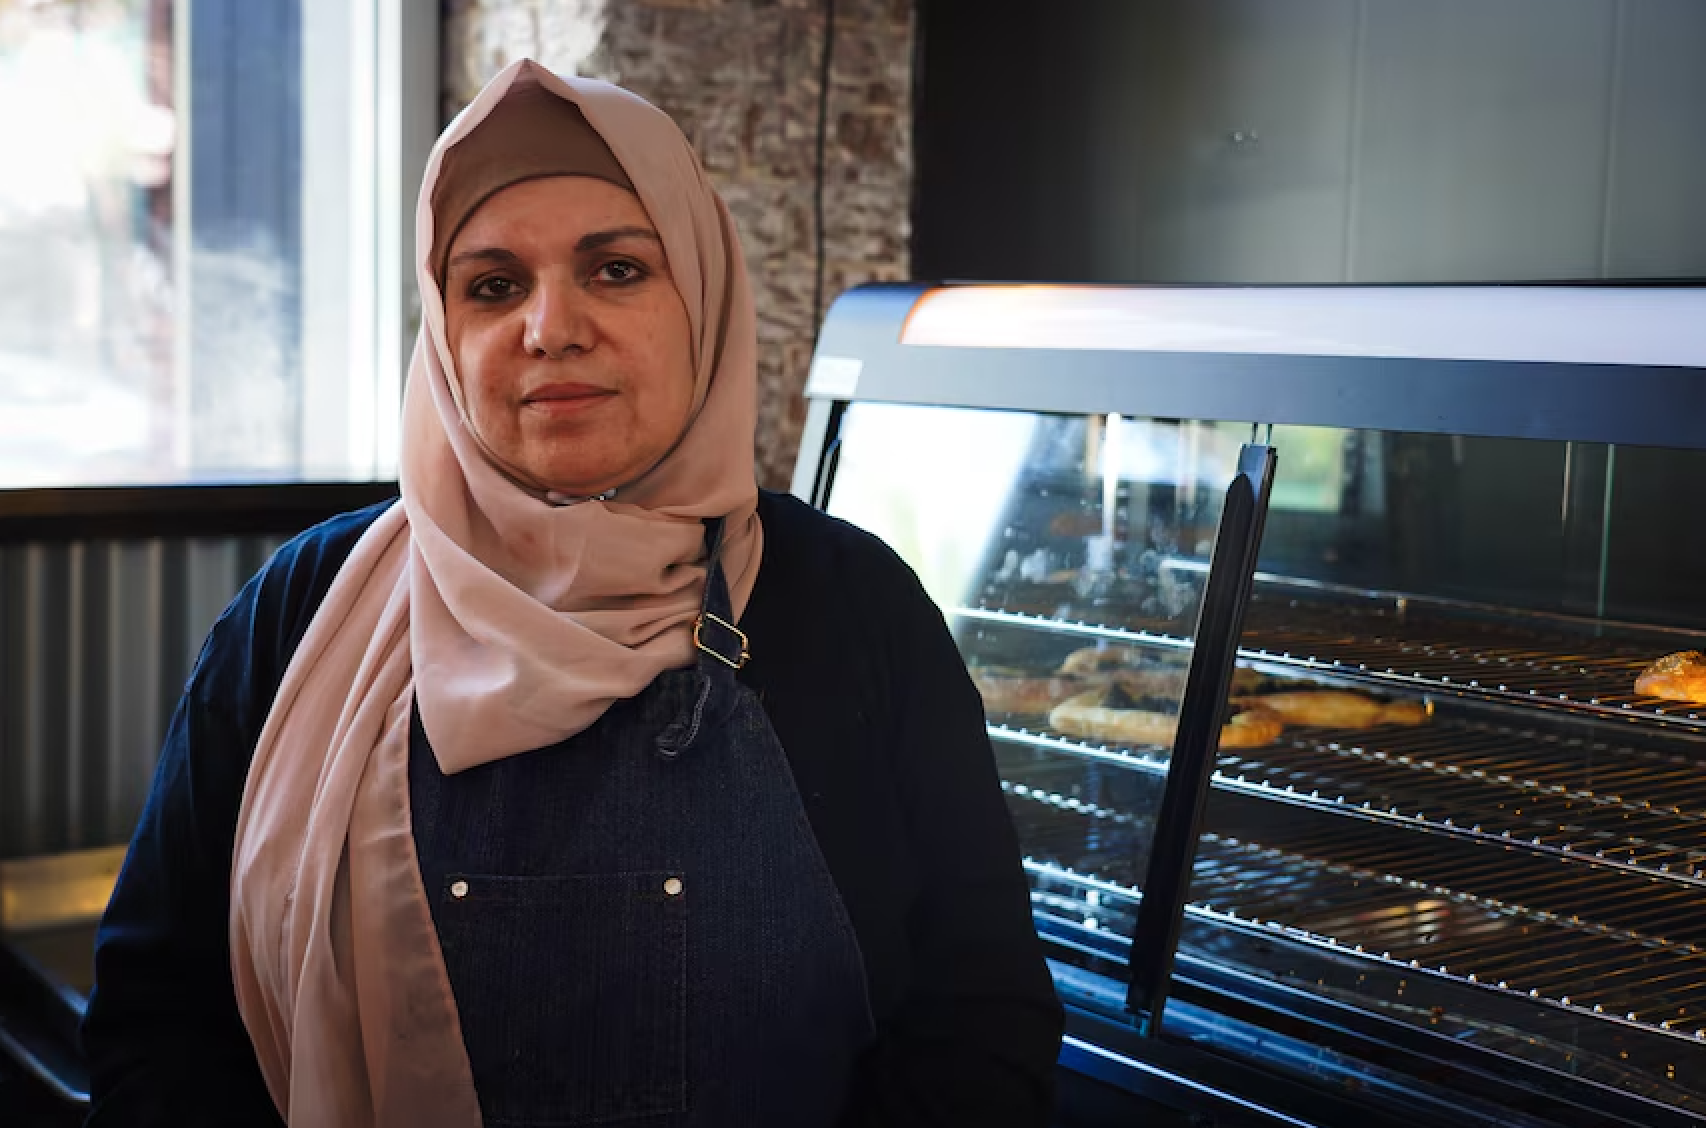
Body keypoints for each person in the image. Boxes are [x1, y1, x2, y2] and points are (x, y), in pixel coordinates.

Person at [80, 58, 1061, 1127]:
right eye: (493, 286)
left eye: (617, 271)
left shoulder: (854, 606)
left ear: (702, 296)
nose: (551, 327)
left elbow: (979, 1016)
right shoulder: (299, 612)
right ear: (442, 336)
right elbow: (158, 1017)